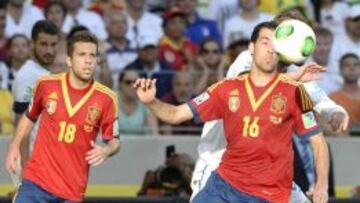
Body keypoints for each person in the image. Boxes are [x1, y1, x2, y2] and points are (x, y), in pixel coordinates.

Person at [135, 21, 330, 203]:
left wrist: (322, 184)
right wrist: (151, 101)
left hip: (269, 193)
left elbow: (318, 143)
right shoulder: (225, 89)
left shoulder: (294, 92)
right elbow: (175, 114)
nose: (271, 49)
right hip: (224, 185)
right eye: (265, 42)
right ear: (251, 48)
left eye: (276, 45)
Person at [191, 12, 348, 203]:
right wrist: (297, 76)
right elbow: (255, 81)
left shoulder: (294, 71)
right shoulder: (249, 57)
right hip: (219, 165)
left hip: (268, 176)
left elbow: (319, 98)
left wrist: (335, 112)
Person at [6, 31, 120, 202]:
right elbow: (29, 117)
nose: (88, 61)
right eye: (82, 55)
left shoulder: (107, 98)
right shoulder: (46, 85)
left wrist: (107, 150)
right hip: (36, 182)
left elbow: (115, 140)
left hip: (71, 191)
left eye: (92, 55)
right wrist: (14, 146)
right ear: (69, 60)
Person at [12, 20, 59, 167]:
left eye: (53, 45)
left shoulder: (45, 74)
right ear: (32, 44)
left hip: (46, 162)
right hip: (33, 165)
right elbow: (21, 126)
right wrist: (25, 173)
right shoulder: (28, 75)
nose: (49, 51)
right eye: (43, 44)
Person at [117, 69, 158, 135]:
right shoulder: (111, 102)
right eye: (128, 82)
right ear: (120, 84)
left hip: (140, 144)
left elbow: (154, 134)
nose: (133, 86)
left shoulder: (146, 104)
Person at [330, 53, 360, 136]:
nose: (352, 68)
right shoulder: (332, 100)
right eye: (347, 65)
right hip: (341, 145)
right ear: (340, 70)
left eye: (356, 65)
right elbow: (325, 127)